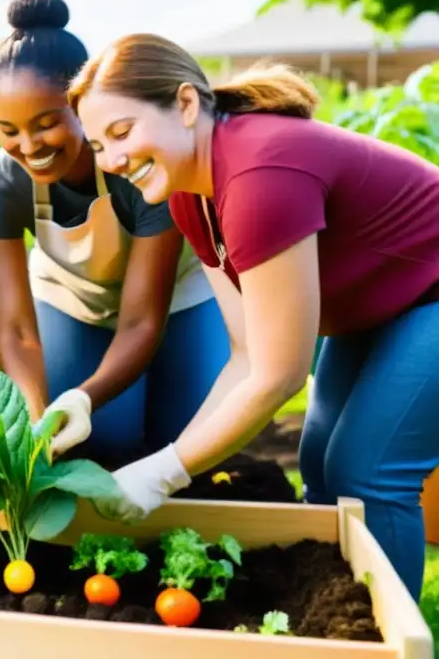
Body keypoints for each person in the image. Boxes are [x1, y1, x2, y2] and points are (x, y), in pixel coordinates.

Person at [68, 32, 439, 601]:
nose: (113, 159)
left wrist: (165, 469)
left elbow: (280, 376)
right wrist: (170, 463)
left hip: (429, 297)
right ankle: (341, 622)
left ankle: (392, 641)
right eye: (98, 145)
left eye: (122, 132)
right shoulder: (191, 197)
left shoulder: (260, 172)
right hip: (386, 305)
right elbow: (246, 356)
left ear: (186, 105)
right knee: (320, 464)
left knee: (368, 472)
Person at [0, 0, 229, 461]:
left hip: (174, 299)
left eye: (47, 122)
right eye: (9, 130)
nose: (29, 145)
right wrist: (34, 417)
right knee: (101, 443)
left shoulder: (135, 169)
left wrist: (86, 398)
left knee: (191, 442)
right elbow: (15, 331)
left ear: (82, 106)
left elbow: (140, 320)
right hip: (73, 298)